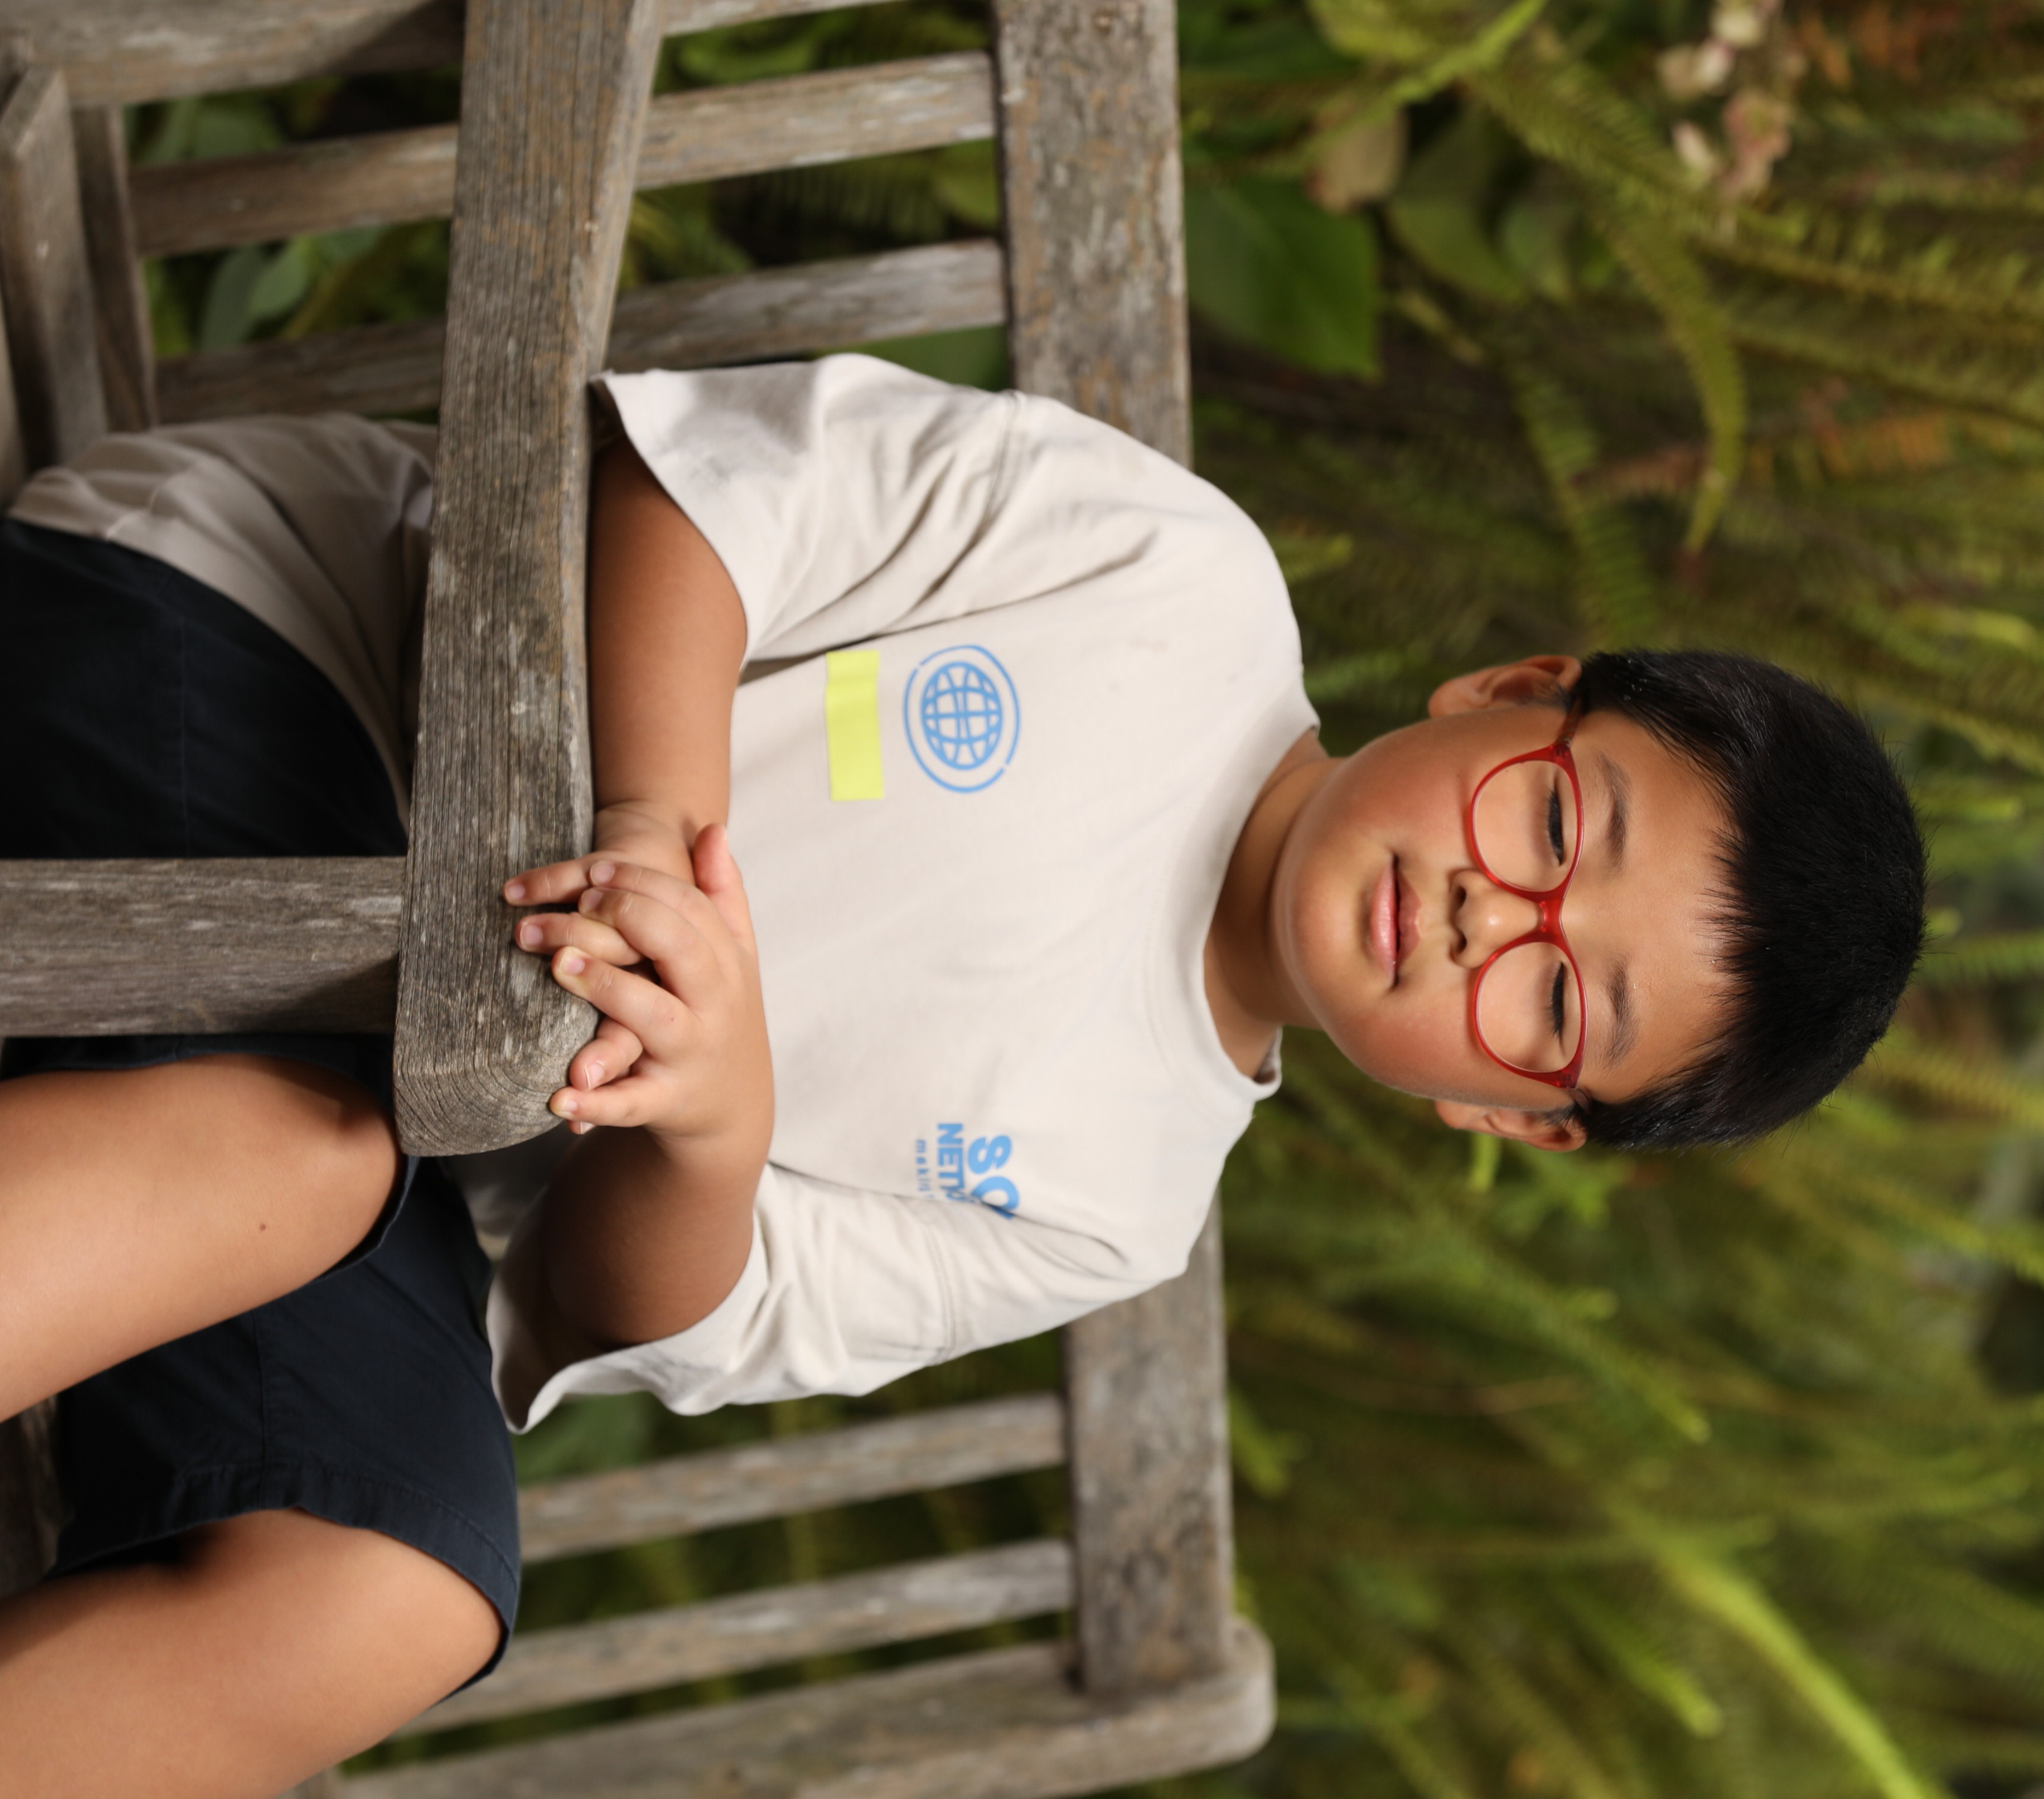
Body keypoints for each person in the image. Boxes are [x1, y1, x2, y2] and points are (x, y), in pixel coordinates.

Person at [0, 357, 1924, 1793]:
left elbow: (595, 1304)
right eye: (1553, 822)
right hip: (284, 668)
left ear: (1507, 1113)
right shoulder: (1175, 583)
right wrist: (656, 829)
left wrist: (719, 1124)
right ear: (1506, 692)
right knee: (304, 1154)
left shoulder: (1116, 1202)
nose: (1485, 913)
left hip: (374, 1133)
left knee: (397, 1591)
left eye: (1555, 1001)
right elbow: (685, 498)